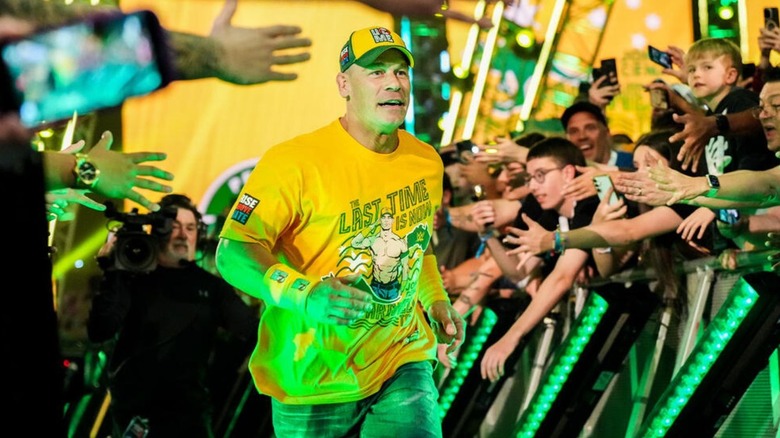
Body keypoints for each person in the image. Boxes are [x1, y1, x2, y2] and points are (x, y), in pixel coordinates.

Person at [215, 26, 464, 437]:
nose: (393, 83)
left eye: (400, 72)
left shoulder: (425, 161)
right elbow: (233, 252)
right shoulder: (293, 162)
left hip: (401, 358)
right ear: (343, 84)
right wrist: (306, 295)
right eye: (376, 72)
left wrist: (436, 301)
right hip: (314, 376)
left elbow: (417, 247)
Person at [87, 193, 259, 437]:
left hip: (189, 417)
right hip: (133, 414)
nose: (183, 235)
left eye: (190, 227)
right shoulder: (131, 278)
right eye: (174, 226)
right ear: (157, 231)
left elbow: (253, 330)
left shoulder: (210, 287)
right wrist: (112, 272)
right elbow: (99, 330)